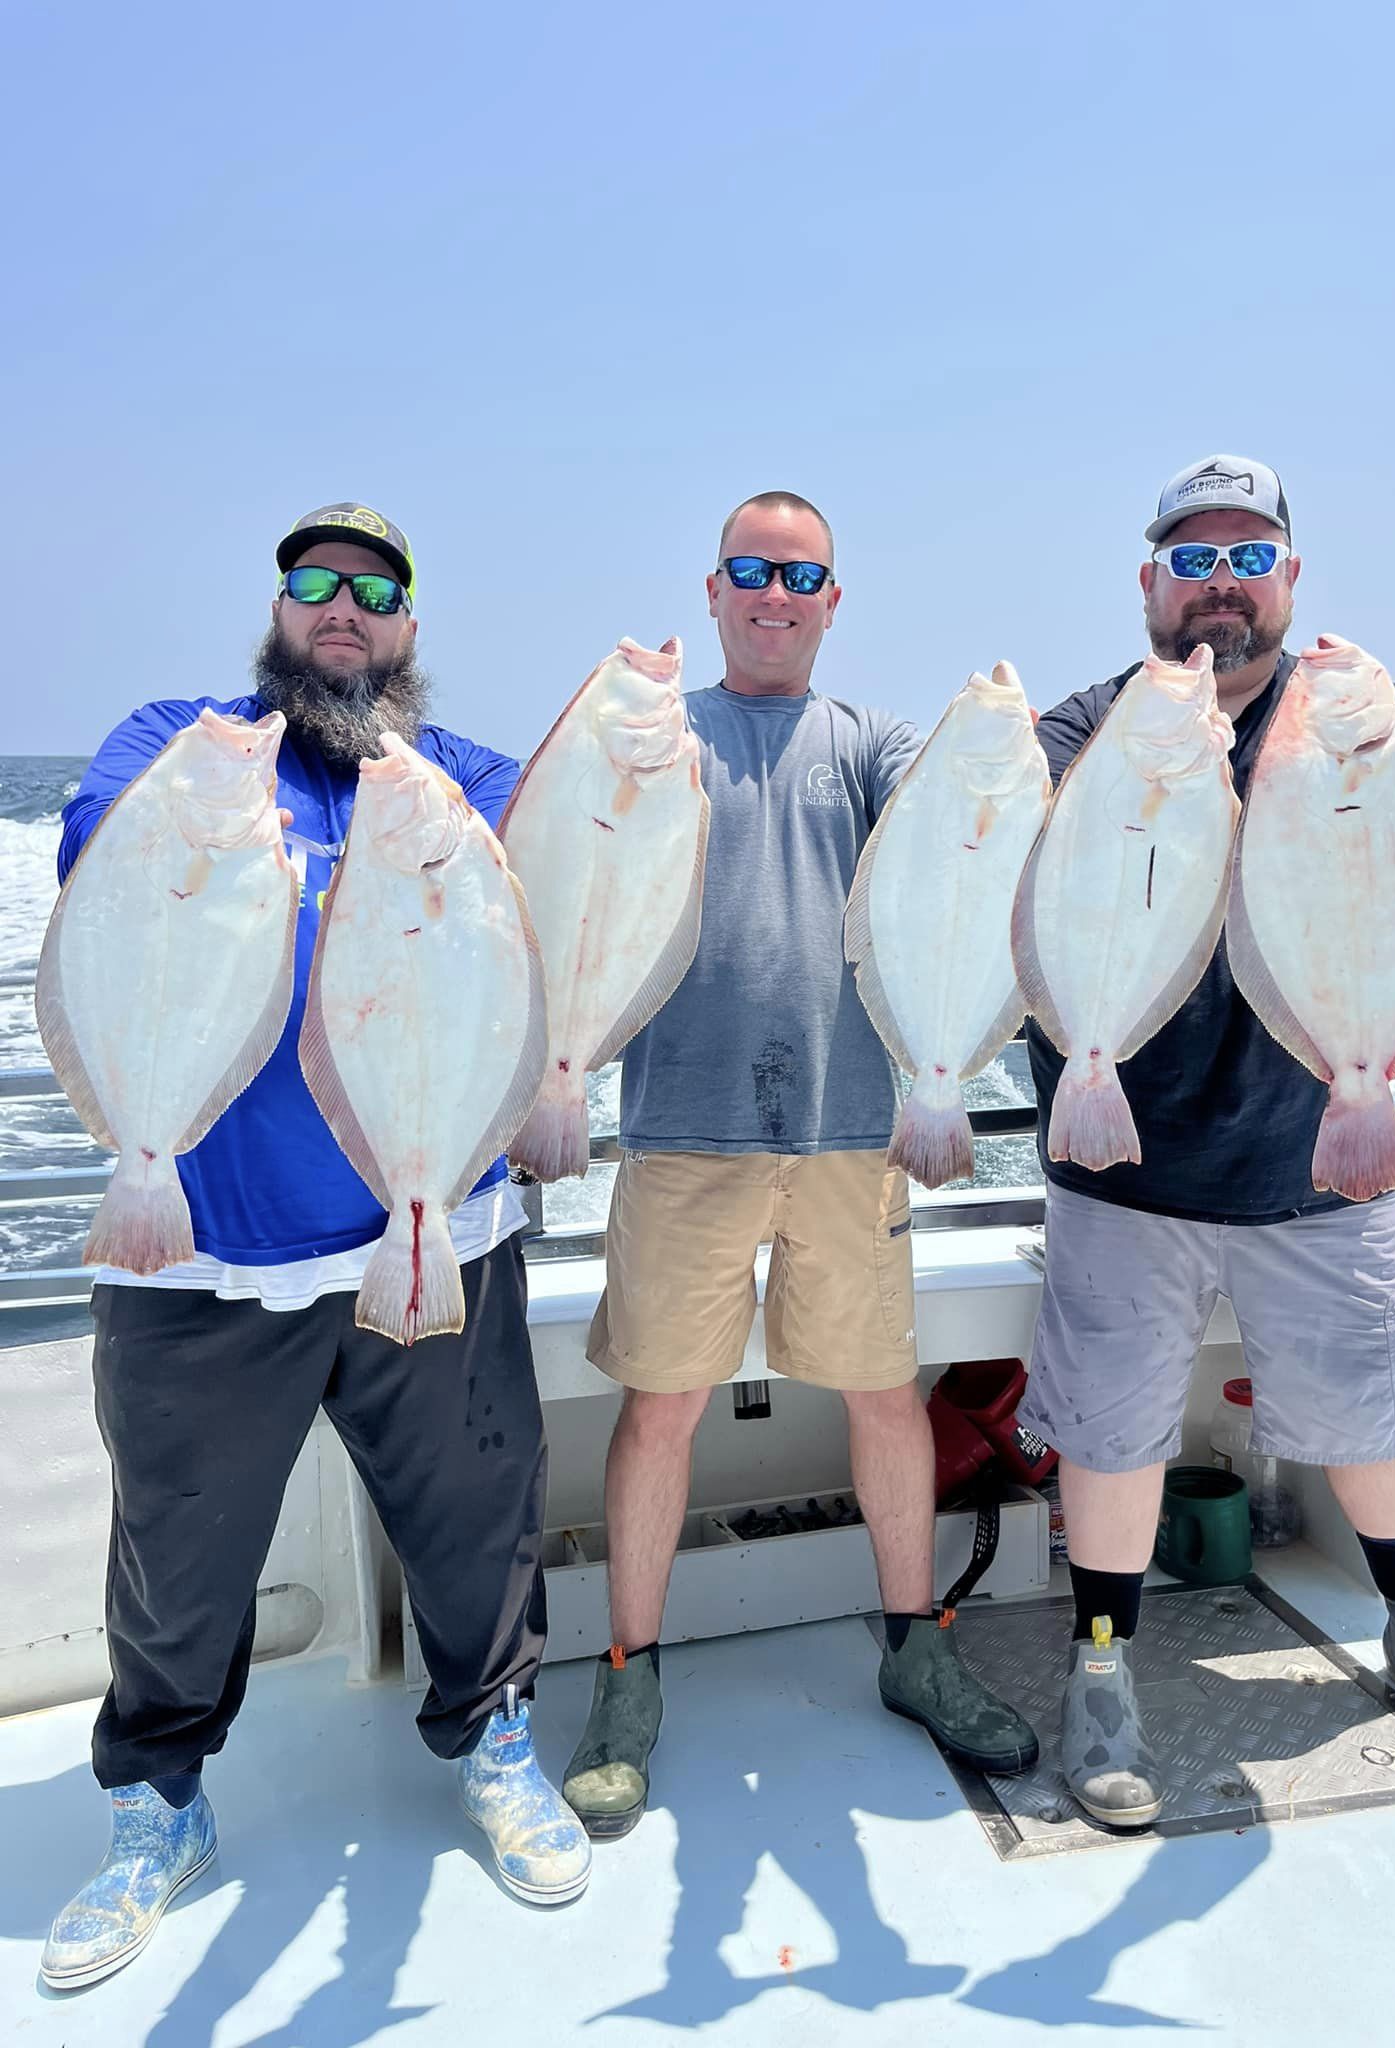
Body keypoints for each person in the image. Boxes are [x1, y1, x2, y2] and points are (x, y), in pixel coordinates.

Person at [42, 503, 589, 1992]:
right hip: (205, 1248)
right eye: (313, 584)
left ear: (412, 624)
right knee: (177, 1550)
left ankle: (493, 1743)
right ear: (277, 611)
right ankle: (155, 1808)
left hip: (431, 1230)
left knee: (480, 1514)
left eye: (374, 589)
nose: (341, 608)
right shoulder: (180, 742)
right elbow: (100, 864)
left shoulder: (461, 779)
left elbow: (581, 890)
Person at [1017, 454, 1395, 1827]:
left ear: (1290, 577)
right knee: (1111, 1437)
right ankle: (1103, 1672)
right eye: (1193, 557)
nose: (1221, 581)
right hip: (1124, 1165)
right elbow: (1012, 869)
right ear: (1149, 585)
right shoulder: (1082, 731)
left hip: (1318, 1155)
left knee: (1375, 1411)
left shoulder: (1382, 719)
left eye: (1249, 554)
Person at [560, 491, 1040, 1840]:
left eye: (804, 574)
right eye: (752, 571)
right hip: (679, 1133)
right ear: (712, 591)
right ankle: (627, 1681)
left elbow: (963, 844)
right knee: (662, 1409)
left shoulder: (873, 744)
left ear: (836, 601)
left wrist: (995, 742)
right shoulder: (663, 738)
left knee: (884, 1395)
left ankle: (915, 1647)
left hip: (852, 1132)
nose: (777, 593)